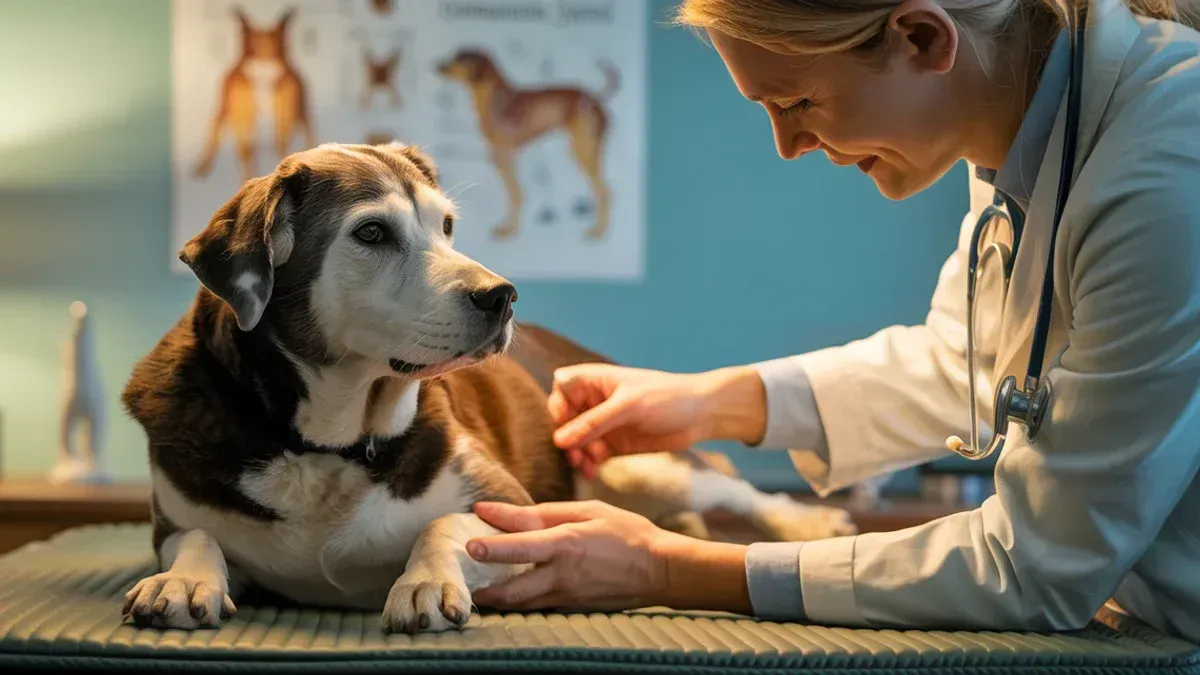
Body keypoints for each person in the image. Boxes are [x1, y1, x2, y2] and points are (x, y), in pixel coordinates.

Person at [463, 0, 1200, 643]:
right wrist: (708, 402)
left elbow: (1033, 567)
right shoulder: (1027, 146)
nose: (788, 147)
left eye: (799, 104)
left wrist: (665, 565)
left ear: (921, 39)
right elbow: (963, 362)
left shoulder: (1165, 165)